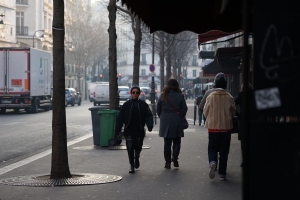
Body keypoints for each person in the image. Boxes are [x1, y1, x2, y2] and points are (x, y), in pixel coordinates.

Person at [203, 72, 236, 180]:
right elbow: (233, 112)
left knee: (212, 148)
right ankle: (222, 174)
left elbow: (205, 111)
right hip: (226, 128)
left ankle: (212, 162)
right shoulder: (229, 97)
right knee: (224, 151)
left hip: (213, 127)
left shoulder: (210, 96)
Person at [115, 85, 153, 173]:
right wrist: (117, 130)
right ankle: (131, 165)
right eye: (133, 92)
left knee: (138, 147)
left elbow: (148, 115)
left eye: (137, 92)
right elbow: (121, 117)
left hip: (139, 130)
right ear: (131, 94)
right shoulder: (126, 105)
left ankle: (137, 157)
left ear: (139, 94)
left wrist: (149, 125)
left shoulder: (143, 105)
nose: (135, 94)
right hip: (129, 130)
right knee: (130, 147)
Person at [157, 79, 188, 169]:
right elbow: (184, 109)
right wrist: (180, 115)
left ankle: (167, 162)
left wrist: (162, 116)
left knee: (167, 142)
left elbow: (158, 108)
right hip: (177, 119)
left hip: (165, 120)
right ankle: (175, 158)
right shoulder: (180, 96)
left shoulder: (163, 95)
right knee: (177, 140)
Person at [234, 82, 253, 168]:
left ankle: (244, 160)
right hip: (253, 119)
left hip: (243, 120)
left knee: (243, 143)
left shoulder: (240, 96)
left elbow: (233, 105)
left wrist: (238, 114)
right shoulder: (253, 95)